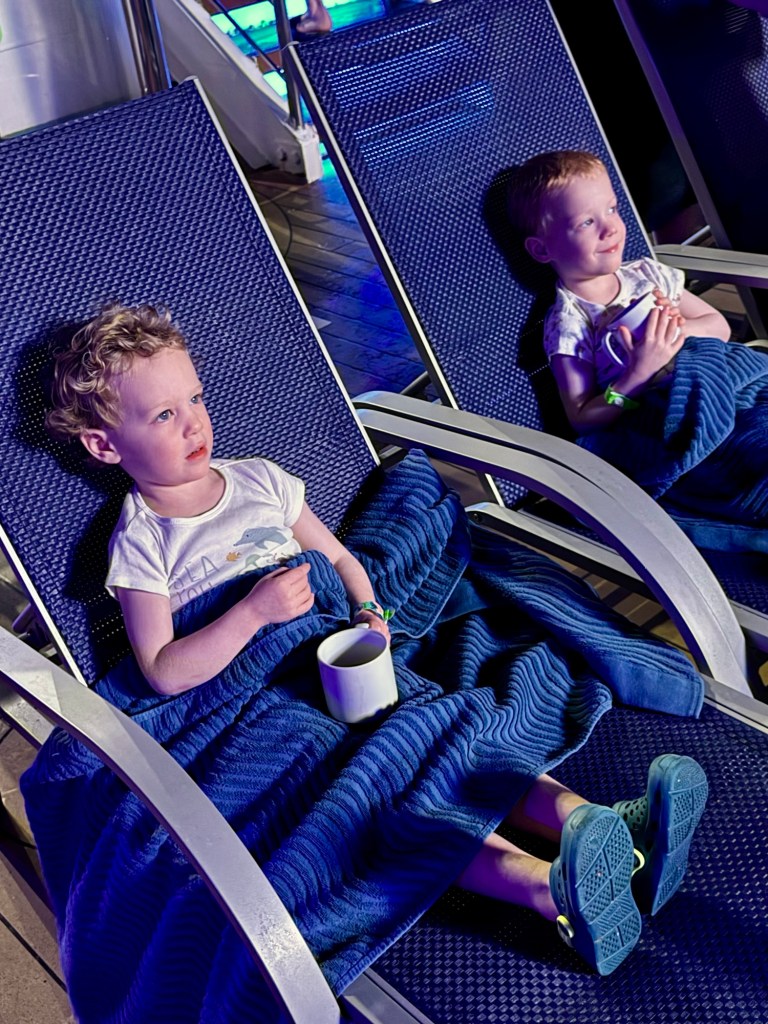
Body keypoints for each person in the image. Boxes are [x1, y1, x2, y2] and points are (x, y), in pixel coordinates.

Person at [44, 302, 708, 976]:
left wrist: (369, 613)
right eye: (163, 415)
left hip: (337, 655)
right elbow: (162, 670)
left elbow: (339, 560)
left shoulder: (259, 480)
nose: (194, 423)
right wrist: (252, 613)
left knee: (447, 724)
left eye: (195, 398)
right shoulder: (144, 541)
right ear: (104, 446)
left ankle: (605, 827)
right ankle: (548, 888)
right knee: (377, 781)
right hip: (267, 701)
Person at [506, 149, 732, 434]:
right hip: (657, 420)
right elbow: (581, 417)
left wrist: (672, 332)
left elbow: (720, 328)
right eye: (587, 222)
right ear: (542, 249)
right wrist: (638, 373)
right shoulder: (570, 325)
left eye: (611, 209)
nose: (610, 228)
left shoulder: (646, 275)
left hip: (712, 383)